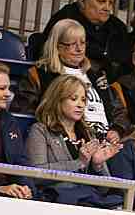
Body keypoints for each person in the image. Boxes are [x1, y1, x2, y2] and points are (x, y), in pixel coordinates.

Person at [13, 19, 130, 145]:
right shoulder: (39, 74)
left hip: (106, 141)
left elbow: (119, 111)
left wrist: (117, 130)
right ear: (57, 46)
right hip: (68, 141)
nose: (79, 49)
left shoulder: (96, 73)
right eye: (72, 44)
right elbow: (24, 113)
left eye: (83, 43)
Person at [26, 75, 123, 207]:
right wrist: (79, 163)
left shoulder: (89, 133)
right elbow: (35, 174)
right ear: (58, 99)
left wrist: (97, 165)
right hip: (55, 204)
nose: (80, 105)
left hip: (88, 203)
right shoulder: (40, 130)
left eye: (83, 100)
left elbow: (103, 189)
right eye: (73, 99)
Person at [36, 0, 132, 83]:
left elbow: (125, 64)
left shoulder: (118, 27)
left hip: (108, 86)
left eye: (110, 3)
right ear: (82, 1)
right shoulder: (65, 20)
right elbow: (49, 56)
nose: (107, 8)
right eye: (101, 2)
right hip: (68, 81)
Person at [0, 63, 35, 200]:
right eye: (2, 88)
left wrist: (26, 188)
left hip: (9, 193)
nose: (8, 94)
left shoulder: (9, 121)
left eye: (8, 88)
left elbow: (20, 162)